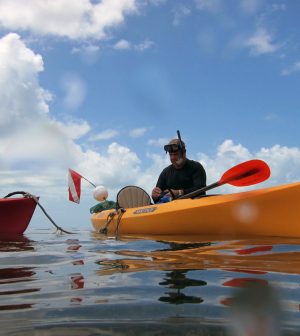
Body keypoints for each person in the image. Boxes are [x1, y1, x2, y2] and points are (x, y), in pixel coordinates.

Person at [152, 138, 206, 203]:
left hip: (193, 207)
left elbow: (201, 190)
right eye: (170, 155)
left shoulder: (196, 167)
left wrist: (180, 193)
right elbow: (158, 199)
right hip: (172, 210)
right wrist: (155, 195)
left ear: (184, 153)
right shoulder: (165, 172)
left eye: (176, 154)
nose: (172, 158)